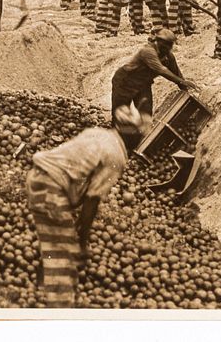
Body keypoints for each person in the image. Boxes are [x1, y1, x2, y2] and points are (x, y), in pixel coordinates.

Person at [26, 112, 143, 308]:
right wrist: (82, 239)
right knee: (60, 251)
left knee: (57, 238)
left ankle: (39, 283)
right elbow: (92, 199)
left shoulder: (97, 133)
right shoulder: (117, 155)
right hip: (51, 186)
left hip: (37, 176)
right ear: (132, 135)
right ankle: (45, 304)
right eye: (139, 133)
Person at [111, 28, 199, 123]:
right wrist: (182, 81)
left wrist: (186, 91)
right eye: (165, 44)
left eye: (170, 44)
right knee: (120, 115)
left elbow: (177, 73)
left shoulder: (169, 57)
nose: (167, 47)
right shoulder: (148, 51)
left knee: (146, 114)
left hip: (143, 84)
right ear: (158, 42)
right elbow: (161, 70)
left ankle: (144, 136)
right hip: (125, 82)